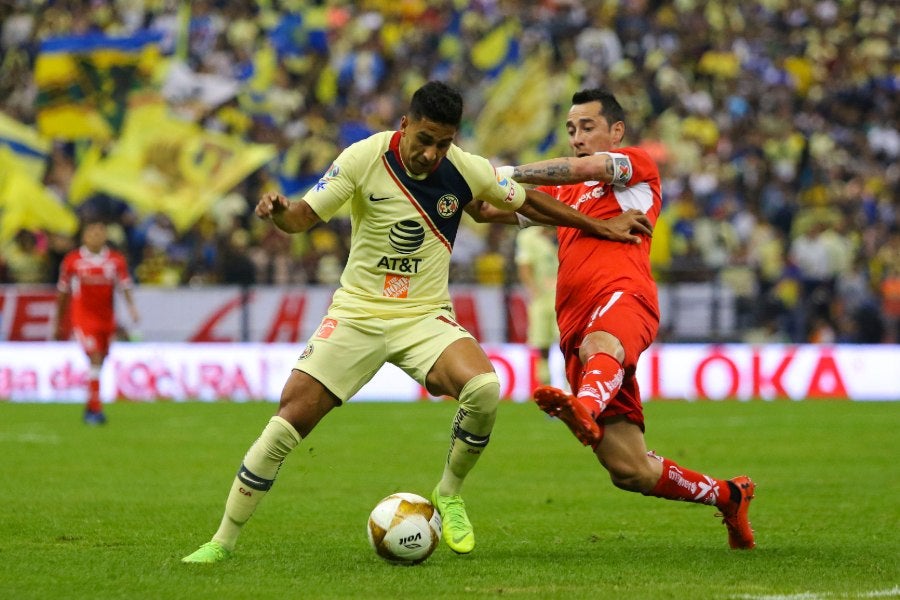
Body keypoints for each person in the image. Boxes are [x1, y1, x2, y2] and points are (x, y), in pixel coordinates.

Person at [182, 81, 653, 563]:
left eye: (443, 143)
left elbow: (524, 201)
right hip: (358, 313)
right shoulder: (363, 157)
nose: (432, 153)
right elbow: (304, 217)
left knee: (484, 389)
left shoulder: (463, 169)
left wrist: (599, 225)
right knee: (286, 423)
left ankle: (449, 493)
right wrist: (281, 213)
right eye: (424, 139)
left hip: (424, 317)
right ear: (404, 125)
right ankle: (222, 540)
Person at [485, 88, 757, 549]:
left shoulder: (635, 167)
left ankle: (584, 408)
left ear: (616, 130)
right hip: (574, 325)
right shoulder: (566, 193)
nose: (577, 137)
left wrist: (504, 172)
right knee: (629, 470)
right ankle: (730, 496)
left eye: (587, 127)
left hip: (624, 298)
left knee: (600, 345)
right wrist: (464, 181)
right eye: (571, 129)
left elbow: (587, 166)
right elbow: (489, 209)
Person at [54, 219, 140, 425]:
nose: (96, 236)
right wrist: (59, 322)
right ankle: (96, 410)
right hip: (83, 318)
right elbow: (63, 293)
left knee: (100, 361)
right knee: (94, 356)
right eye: (92, 232)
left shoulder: (116, 260)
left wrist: (131, 307)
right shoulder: (72, 260)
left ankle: (90, 404)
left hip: (106, 319)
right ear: (84, 236)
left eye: (100, 232)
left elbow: (124, 285)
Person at [514, 225, 559, 386]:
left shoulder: (566, 230)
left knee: (566, 342)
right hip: (541, 297)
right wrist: (533, 290)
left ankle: (570, 388)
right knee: (541, 343)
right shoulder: (528, 236)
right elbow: (524, 266)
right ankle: (545, 384)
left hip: (565, 295)